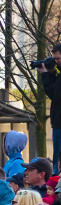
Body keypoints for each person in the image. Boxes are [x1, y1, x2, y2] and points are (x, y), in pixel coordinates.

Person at [38, 44, 61, 174]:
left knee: (57, 154)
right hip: (58, 120)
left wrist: (46, 75)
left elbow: (54, 94)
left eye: (58, 58)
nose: (56, 61)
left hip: (59, 122)